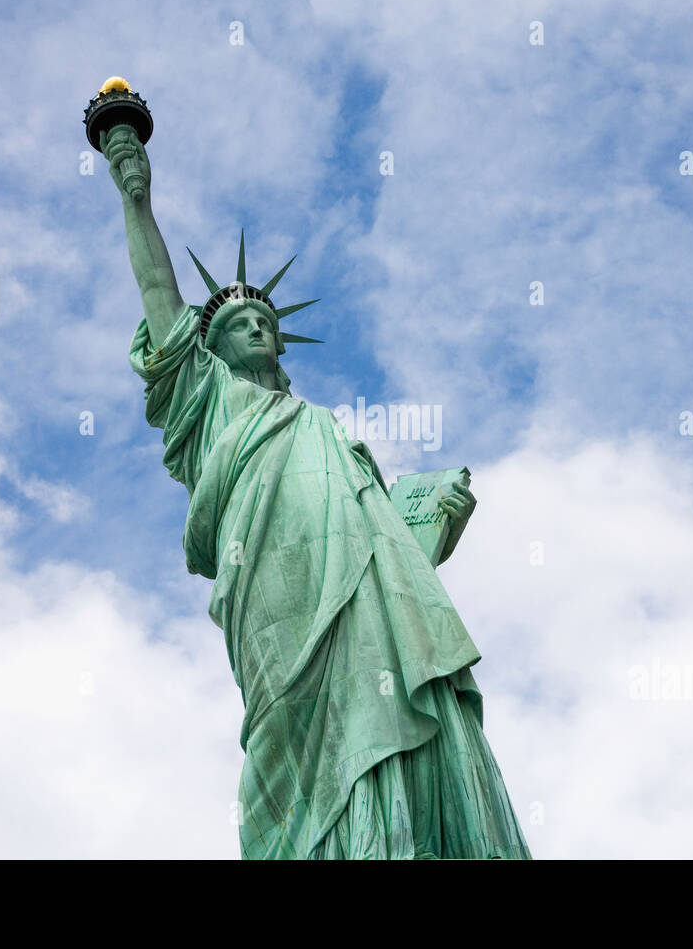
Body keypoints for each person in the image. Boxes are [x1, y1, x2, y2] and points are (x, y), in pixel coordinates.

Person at [102, 123, 531, 859]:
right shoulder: (208, 407)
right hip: (275, 597)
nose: (257, 329)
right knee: (295, 733)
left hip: (371, 603)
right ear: (211, 348)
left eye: (264, 320)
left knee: (389, 693)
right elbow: (157, 293)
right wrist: (133, 193)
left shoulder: (328, 430)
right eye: (239, 323)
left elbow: (388, 547)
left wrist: (426, 526)